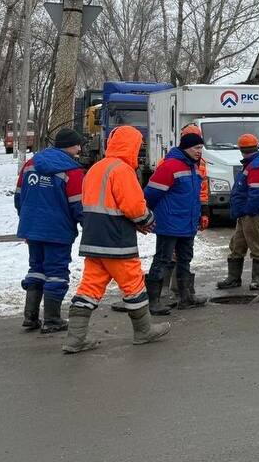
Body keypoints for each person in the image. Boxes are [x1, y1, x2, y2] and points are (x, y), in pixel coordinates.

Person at [62, 125, 169, 354]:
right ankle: (144, 330)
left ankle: (75, 338)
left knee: (89, 286)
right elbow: (133, 207)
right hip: (117, 240)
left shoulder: (96, 168)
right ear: (131, 146)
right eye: (138, 146)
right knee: (133, 284)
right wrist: (147, 219)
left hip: (93, 238)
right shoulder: (122, 170)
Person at [14, 129, 85, 334]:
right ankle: (52, 319)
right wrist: (87, 226)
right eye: (77, 145)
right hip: (57, 230)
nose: (80, 149)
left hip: (32, 227)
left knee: (36, 268)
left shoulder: (30, 164)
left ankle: (30, 317)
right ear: (70, 146)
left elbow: (19, 196)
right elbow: (78, 206)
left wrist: (27, 220)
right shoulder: (72, 170)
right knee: (56, 272)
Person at [143, 130, 208, 315]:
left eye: (201, 148)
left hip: (187, 224)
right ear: (186, 148)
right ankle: (153, 302)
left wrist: (200, 214)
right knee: (162, 260)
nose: (199, 151)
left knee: (185, 259)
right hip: (170, 224)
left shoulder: (193, 166)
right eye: (196, 148)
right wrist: (147, 216)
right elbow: (150, 194)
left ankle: (185, 297)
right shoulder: (170, 166)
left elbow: (194, 196)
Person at [217, 133, 259, 291]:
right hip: (246, 213)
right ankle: (234, 278)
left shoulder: (256, 166)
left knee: (256, 246)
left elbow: (257, 193)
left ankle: (255, 280)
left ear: (241, 149)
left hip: (251, 214)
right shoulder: (254, 163)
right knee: (237, 245)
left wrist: (247, 210)